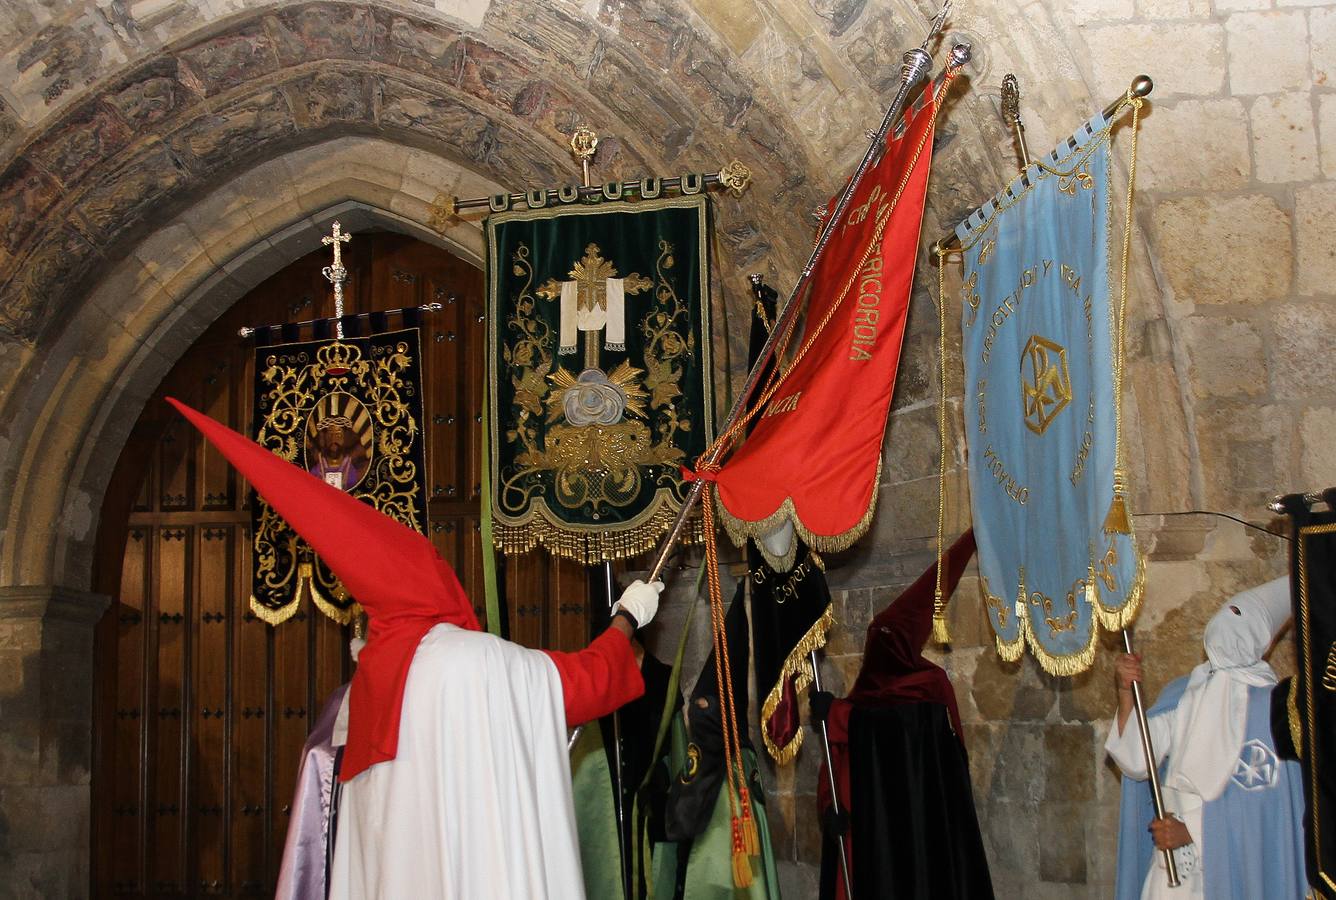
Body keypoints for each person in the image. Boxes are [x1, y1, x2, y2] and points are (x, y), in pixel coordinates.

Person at [169, 398, 664, 899]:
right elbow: (585, 684)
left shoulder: (373, 676)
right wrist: (628, 616)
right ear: (424, 576)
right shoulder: (461, 658)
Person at [816, 530, 994, 900]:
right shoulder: (869, 696)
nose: (873, 644)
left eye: (882, 636)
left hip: (905, 840)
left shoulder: (924, 695)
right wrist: (830, 814)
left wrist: (834, 713)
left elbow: (884, 733)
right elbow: (845, 761)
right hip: (866, 833)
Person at [1107, 577, 1307, 899]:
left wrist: (1192, 831)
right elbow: (1136, 761)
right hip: (1170, 868)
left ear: (1258, 636)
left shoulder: (1275, 708)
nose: (1225, 626)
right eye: (1223, 615)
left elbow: (1266, 808)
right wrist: (1124, 692)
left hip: (1228, 868)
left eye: (1239, 617)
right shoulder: (1183, 692)